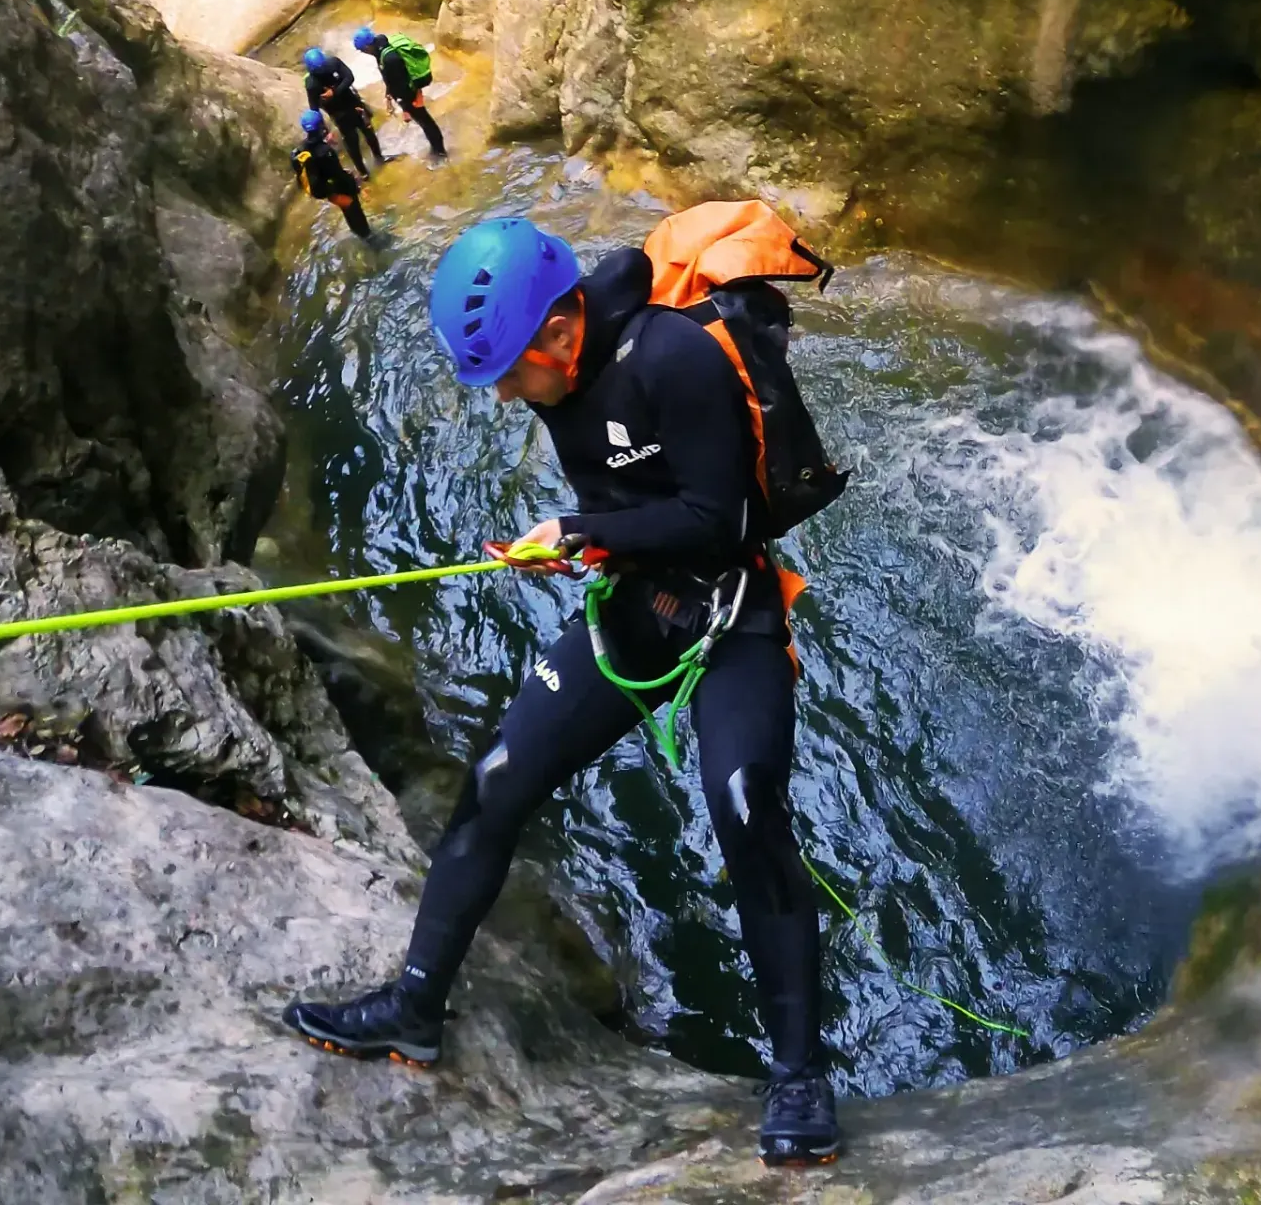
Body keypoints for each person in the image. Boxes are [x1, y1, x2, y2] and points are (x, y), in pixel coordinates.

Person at [282, 218, 841, 1168]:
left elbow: (721, 517)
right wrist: (580, 543)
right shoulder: (558, 373)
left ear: (558, 331)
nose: (503, 396)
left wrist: (581, 529)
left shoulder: (676, 360)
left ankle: (799, 1076)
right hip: (631, 603)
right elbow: (626, 501)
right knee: (498, 773)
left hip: (727, 609)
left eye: (506, 372)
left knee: (745, 807)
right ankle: (415, 1008)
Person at [353, 25, 447, 159]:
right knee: (423, 120)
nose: (363, 52)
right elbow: (389, 77)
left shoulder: (390, 58)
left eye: (362, 50)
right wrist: (388, 94)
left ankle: (440, 151)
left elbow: (401, 83)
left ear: (367, 47)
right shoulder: (380, 44)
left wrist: (405, 103)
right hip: (404, 89)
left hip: (408, 93)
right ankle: (437, 147)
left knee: (425, 122)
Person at [302, 46, 386, 179]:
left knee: (368, 130)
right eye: (318, 70)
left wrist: (334, 92)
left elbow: (349, 77)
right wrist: (325, 130)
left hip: (354, 103)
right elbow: (314, 108)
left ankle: (379, 157)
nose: (322, 71)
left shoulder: (333, 63)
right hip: (339, 113)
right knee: (352, 141)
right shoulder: (312, 84)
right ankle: (363, 172)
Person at [290, 110, 371, 239]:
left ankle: (358, 233)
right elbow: (338, 175)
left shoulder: (300, 149)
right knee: (354, 212)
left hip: (326, 189)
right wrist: (355, 184)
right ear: (321, 125)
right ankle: (367, 237)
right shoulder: (325, 152)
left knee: (348, 212)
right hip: (338, 187)